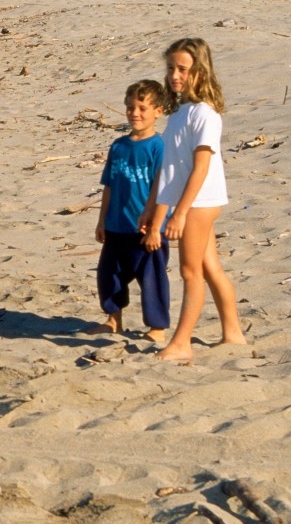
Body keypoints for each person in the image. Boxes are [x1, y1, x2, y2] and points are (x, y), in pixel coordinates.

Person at [139, 37, 248, 361]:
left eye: (183, 69)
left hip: (200, 202)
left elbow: (202, 167)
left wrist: (180, 214)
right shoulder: (180, 112)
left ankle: (182, 342)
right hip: (189, 202)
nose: (175, 75)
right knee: (210, 267)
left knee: (190, 272)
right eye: (171, 68)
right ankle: (233, 334)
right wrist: (150, 207)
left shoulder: (205, 114)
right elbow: (168, 167)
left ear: (200, 71)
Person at [88, 80, 170, 342]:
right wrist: (102, 221)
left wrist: (157, 226)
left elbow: (164, 190)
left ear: (158, 111)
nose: (135, 113)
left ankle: (157, 328)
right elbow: (109, 186)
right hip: (116, 225)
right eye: (130, 107)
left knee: (151, 279)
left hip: (147, 229)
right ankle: (114, 320)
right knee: (109, 275)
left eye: (142, 108)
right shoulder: (118, 146)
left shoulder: (159, 147)